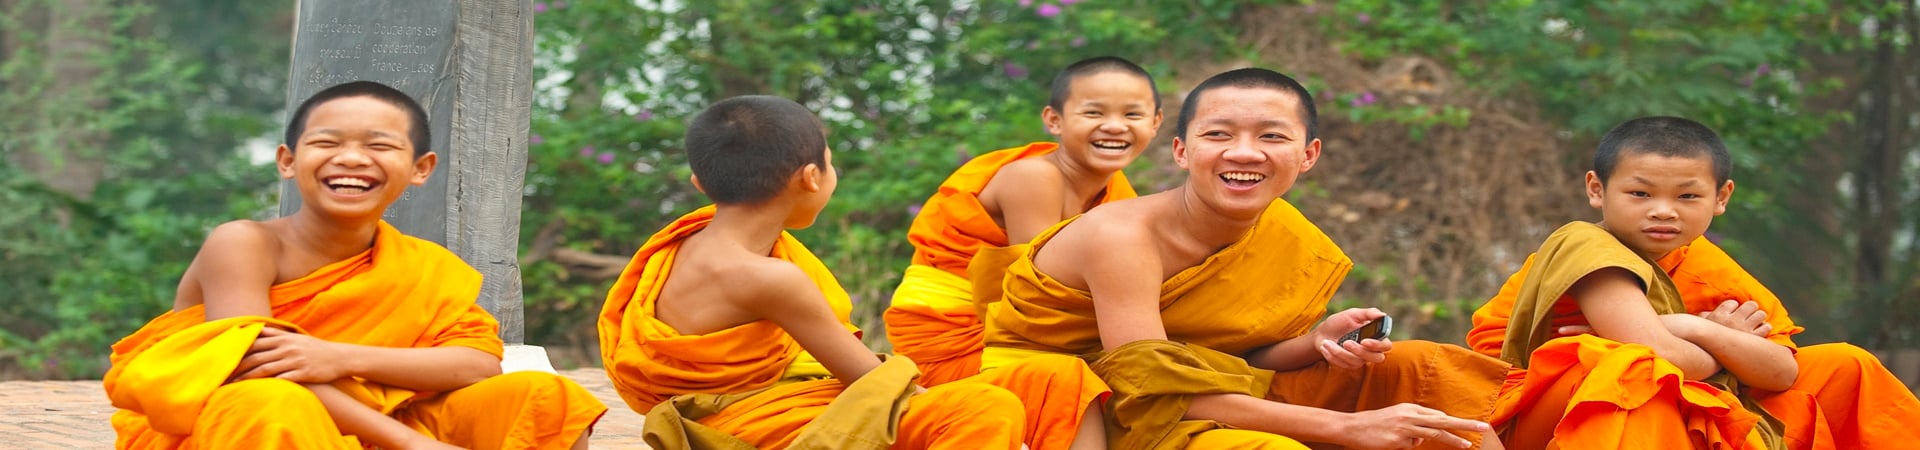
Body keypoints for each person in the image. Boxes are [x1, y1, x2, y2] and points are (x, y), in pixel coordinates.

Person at [981, 68, 1510, 449]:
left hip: (1205, 387)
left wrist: (1313, 343)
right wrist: (1347, 428)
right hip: (1091, 399)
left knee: (1418, 368)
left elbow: (1235, 357)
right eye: (1218, 134)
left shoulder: (1283, 230)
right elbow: (1151, 386)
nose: (1243, 152)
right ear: (1182, 151)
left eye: (1272, 136)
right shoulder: (1120, 238)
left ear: (1308, 155)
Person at [103, 80, 606, 450]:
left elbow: (476, 364)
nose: (351, 158)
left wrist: (339, 357)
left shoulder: (424, 266)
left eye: (379, 145)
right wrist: (410, 443)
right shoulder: (245, 244)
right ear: (287, 161)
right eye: (327, 142)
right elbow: (253, 369)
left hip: (382, 422)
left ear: (420, 169)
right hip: (253, 428)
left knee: (543, 395)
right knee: (268, 402)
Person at [596, 95, 1032, 449]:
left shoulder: (686, 243)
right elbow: (869, 378)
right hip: (756, 428)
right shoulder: (768, 277)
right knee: (985, 408)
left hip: (751, 407)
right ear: (810, 177)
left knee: (1014, 390)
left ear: (699, 183)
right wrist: (951, 408)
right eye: (831, 162)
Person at [1466, 116, 1920, 449]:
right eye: (1640, 193)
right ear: (1596, 189)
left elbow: (1782, 371)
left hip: (1692, 391)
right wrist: (1716, 345)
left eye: (1687, 196)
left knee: (1845, 364)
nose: (1663, 210)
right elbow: (1655, 352)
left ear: (1721, 197)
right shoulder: (1586, 247)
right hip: (1545, 408)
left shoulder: (1708, 265)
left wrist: (1691, 327)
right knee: (1634, 369)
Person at [884, 55, 1159, 387]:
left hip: (1025, 330)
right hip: (959, 342)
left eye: (1132, 114)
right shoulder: (1034, 176)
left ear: (1155, 123)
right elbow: (1040, 292)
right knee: (1106, 379)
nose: (1114, 126)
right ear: (1054, 120)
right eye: (1093, 113)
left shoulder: (1118, 193)